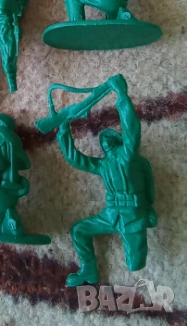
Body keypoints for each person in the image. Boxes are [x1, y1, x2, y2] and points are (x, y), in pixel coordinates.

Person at [56, 74, 157, 286]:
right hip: (111, 215)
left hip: (133, 215)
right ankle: (89, 271)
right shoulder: (104, 165)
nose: (104, 140)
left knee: (135, 263)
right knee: (79, 230)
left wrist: (122, 95)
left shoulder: (128, 156)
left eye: (109, 137)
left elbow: (132, 128)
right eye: (102, 139)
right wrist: (63, 130)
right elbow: (76, 159)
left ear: (119, 141)